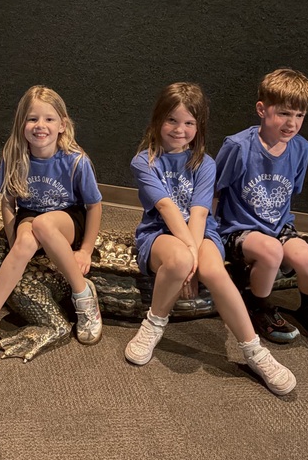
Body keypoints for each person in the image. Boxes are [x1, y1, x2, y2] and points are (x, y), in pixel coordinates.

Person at [126, 82, 296, 396]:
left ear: (199, 126)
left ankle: (254, 350)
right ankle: (154, 323)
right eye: (172, 120)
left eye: (189, 122)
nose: (180, 129)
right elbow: (166, 209)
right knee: (178, 261)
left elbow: (200, 213)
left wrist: (194, 251)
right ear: (157, 120)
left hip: (201, 232)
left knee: (215, 271)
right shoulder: (144, 162)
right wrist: (190, 256)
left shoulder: (205, 163)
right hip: (160, 233)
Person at [0, 86, 104, 365]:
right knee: (28, 239)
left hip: (67, 217)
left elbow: (93, 206)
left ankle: (83, 294)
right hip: (30, 213)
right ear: (21, 124)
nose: (40, 126)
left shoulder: (76, 160)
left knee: (42, 224)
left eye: (49, 119)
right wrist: (13, 239)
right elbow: (8, 202)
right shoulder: (14, 156)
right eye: (32, 119)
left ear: (63, 125)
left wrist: (86, 250)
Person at [214, 67, 308, 346]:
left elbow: (288, 192)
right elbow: (214, 190)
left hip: (278, 226)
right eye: (284, 113)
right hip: (238, 229)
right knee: (270, 252)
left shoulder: (301, 148)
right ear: (262, 109)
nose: (291, 123)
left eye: (299, 115)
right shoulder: (237, 146)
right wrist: (209, 236)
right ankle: (258, 305)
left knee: (307, 259)